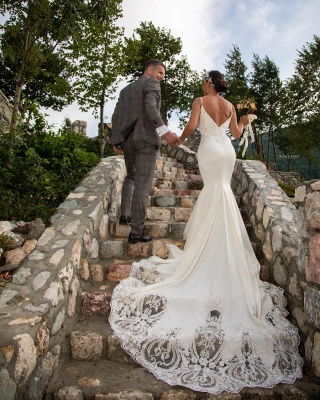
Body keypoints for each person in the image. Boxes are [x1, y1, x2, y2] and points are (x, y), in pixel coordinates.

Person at [109, 70, 303, 394]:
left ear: (209, 83)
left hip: (210, 153)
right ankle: (225, 251)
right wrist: (247, 116)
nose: (202, 85)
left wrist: (176, 139)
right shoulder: (229, 106)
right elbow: (238, 134)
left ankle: (210, 254)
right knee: (222, 192)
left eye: (204, 80)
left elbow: (190, 129)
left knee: (214, 191)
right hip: (226, 152)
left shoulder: (201, 100)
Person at [110, 59, 178, 244]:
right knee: (142, 183)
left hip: (127, 140)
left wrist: (116, 139)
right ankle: (136, 232)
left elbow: (116, 115)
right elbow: (151, 107)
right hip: (145, 139)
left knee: (131, 177)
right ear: (150, 70)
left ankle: (125, 215)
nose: (161, 78)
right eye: (160, 73)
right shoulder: (151, 83)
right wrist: (166, 133)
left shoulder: (125, 90)